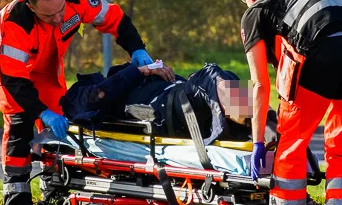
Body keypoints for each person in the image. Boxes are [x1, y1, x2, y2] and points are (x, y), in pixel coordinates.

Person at [0, 0, 153, 205]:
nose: (58, 19)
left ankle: (53, 191)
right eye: (48, 16)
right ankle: (17, 202)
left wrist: (137, 48)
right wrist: (41, 112)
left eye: (60, 11)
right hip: (14, 72)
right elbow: (14, 81)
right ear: (32, 9)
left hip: (48, 68)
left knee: (58, 129)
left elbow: (115, 20)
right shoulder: (16, 22)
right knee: (20, 122)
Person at [239, 0, 342, 205]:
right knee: (340, 148)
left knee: (291, 145)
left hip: (318, 55)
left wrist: (259, 141)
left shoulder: (256, 11)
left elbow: (259, 84)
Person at [60, 62, 277, 144]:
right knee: (210, 76)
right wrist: (139, 71)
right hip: (162, 112)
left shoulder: (119, 79)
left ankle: (266, 124)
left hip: (174, 100)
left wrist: (178, 78)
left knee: (220, 76)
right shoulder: (77, 96)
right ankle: (269, 126)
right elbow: (97, 96)